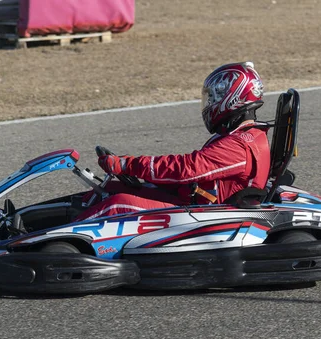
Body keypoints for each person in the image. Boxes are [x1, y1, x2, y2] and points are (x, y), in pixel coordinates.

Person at [75, 61, 271, 221]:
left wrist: (127, 165)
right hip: (195, 200)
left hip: (205, 215)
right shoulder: (241, 135)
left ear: (234, 97)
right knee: (110, 189)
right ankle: (62, 221)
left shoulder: (240, 146)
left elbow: (186, 169)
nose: (209, 104)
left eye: (214, 98)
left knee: (117, 205)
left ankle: (61, 243)